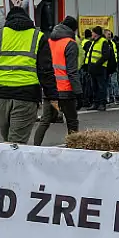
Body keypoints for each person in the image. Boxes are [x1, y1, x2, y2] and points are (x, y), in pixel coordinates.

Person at [0, 5, 56, 142]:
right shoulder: (37, 36)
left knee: (9, 141)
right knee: (16, 143)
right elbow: (45, 70)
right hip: (26, 94)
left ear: (8, 20)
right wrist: (53, 96)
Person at [34, 16, 82, 145]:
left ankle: (35, 147)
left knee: (45, 121)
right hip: (65, 90)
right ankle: (73, 148)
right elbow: (72, 71)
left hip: (49, 88)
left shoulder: (49, 40)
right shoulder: (70, 43)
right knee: (72, 121)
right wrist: (78, 92)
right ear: (73, 29)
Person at [83, 26, 115, 111]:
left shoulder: (103, 42)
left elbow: (105, 56)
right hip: (93, 69)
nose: (92, 34)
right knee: (95, 87)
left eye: (93, 32)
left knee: (101, 87)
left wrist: (96, 64)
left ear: (96, 33)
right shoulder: (94, 42)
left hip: (100, 68)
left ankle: (102, 104)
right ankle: (96, 103)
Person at [103, 29, 119, 105]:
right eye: (108, 34)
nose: (110, 36)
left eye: (110, 34)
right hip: (107, 66)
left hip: (113, 65)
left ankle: (116, 97)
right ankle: (110, 97)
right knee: (108, 83)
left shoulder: (112, 43)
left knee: (114, 82)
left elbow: (114, 55)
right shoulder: (105, 43)